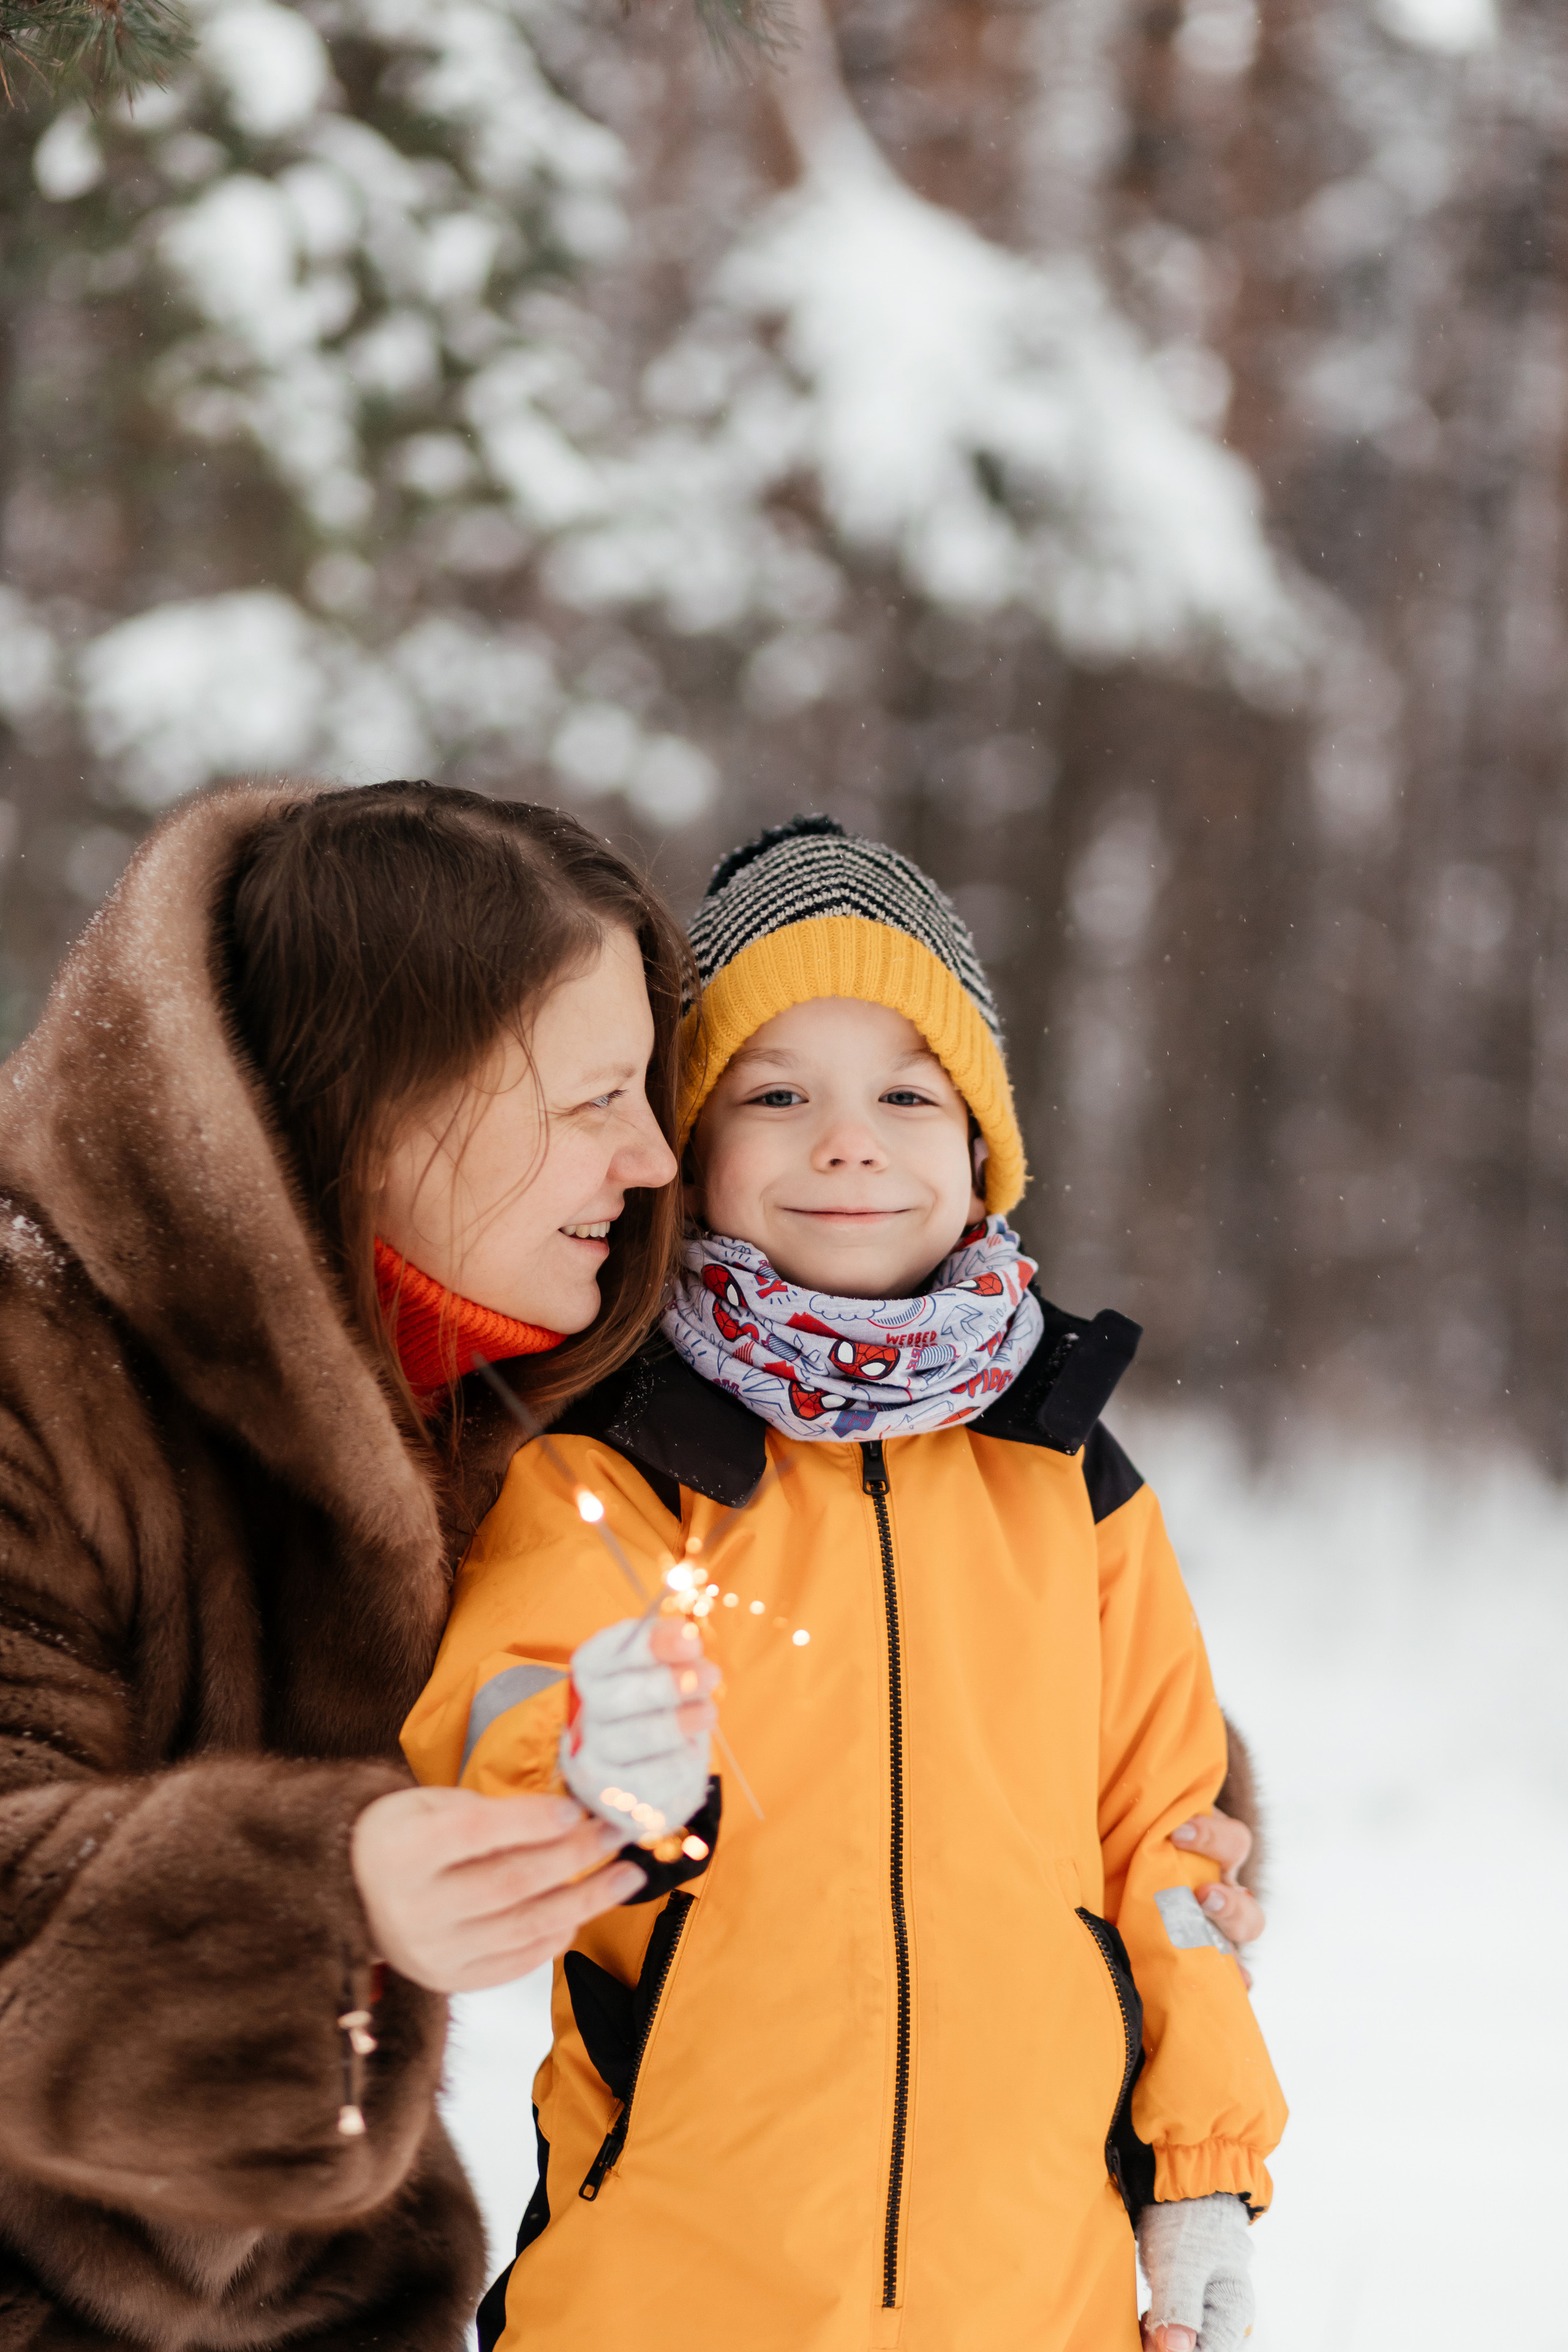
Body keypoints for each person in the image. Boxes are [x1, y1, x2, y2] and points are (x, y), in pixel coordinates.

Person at [402, 816, 1289, 2352]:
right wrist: (581, 1753)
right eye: (775, 1094)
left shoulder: (1066, 1475)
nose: (847, 1140)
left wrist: (1200, 2168)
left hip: (1027, 2293)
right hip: (667, 2284)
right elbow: (492, 1701)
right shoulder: (619, 1460)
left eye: (902, 1093)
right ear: (688, 1142)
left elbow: (1165, 1839)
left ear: (979, 1148)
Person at [0, 780, 695, 2346]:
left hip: (318, 2295)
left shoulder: (503, 1397)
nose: (654, 1160)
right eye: (595, 1100)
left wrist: (1134, 1803)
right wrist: (325, 1898)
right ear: (391, 1098)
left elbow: (852, 1622)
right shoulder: (22, 1359)